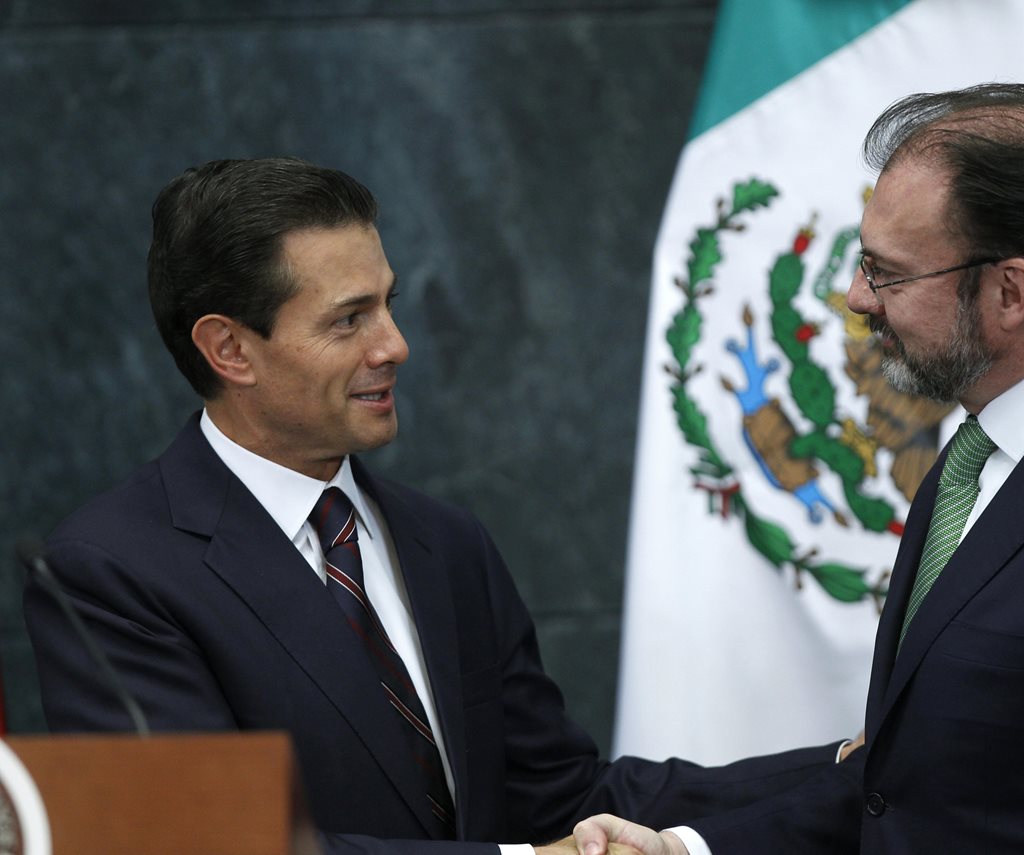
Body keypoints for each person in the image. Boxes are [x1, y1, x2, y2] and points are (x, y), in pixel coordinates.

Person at [24, 157, 833, 855]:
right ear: (229, 349)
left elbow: (561, 797)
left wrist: (843, 766)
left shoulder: (445, 543)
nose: (395, 344)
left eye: (388, 302)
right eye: (349, 319)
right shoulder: (111, 572)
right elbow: (202, 842)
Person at [572, 83, 1024, 854]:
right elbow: (907, 787)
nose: (855, 297)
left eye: (886, 272)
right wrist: (682, 847)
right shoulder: (979, 452)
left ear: (1011, 290)